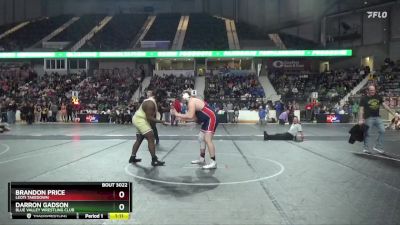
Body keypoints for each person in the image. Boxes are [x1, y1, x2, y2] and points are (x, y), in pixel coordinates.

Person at [172, 90, 218, 169]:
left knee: (207, 139)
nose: (181, 98)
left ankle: (213, 162)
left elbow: (190, 116)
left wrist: (177, 114)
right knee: (201, 137)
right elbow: (194, 118)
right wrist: (181, 118)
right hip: (207, 119)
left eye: (182, 95)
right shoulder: (190, 102)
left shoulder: (191, 102)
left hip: (211, 118)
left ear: (186, 96)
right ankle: (202, 159)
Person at [129, 90, 166, 166]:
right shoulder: (150, 103)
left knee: (139, 139)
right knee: (151, 138)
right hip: (140, 120)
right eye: (162, 98)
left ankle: (132, 157)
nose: (163, 101)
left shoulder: (152, 102)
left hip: (139, 119)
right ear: (158, 97)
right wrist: (161, 121)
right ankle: (154, 160)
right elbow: (149, 117)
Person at [358, 85, 396, 154]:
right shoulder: (364, 98)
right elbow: (361, 109)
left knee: (382, 130)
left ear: (375, 90)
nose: (372, 91)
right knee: (367, 133)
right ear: (368, 91)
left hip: (377, 117)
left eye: (373, 90)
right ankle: (366, 148)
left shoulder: (378, 97)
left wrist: (393, 113)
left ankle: (377, 147)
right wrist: (360, 119)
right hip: (368, 118)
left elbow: (385, 106)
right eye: (371, 90)